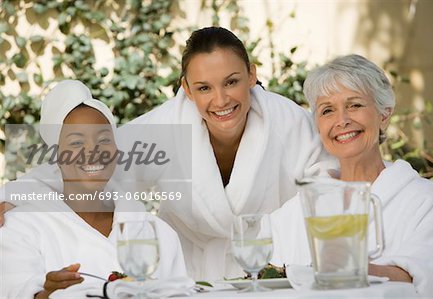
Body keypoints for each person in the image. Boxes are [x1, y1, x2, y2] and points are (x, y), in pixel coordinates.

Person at [0, 27, 331, 280]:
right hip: (189, 275)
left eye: (231, 82)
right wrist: (13, 195)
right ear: (186, 89)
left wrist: (282, 245)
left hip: (271, 269)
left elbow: (329, 184)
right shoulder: (164, 129)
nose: (221, 100)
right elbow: (89, 161)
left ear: (252, 75)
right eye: (203, 87)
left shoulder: (287, 121)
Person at [270, 54, 433, 298]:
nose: (342, 121)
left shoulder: (432, 204)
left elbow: (419, 279)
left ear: (384, 114)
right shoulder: (292, 213)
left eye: (354, 105)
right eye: (327, 110)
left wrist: (347, 272)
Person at [0, 80, 187, 299]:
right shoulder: (20, 227)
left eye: (103, 139)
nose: (93, 150)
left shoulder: (156, 232)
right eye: (77, 143)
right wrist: (45, 295)